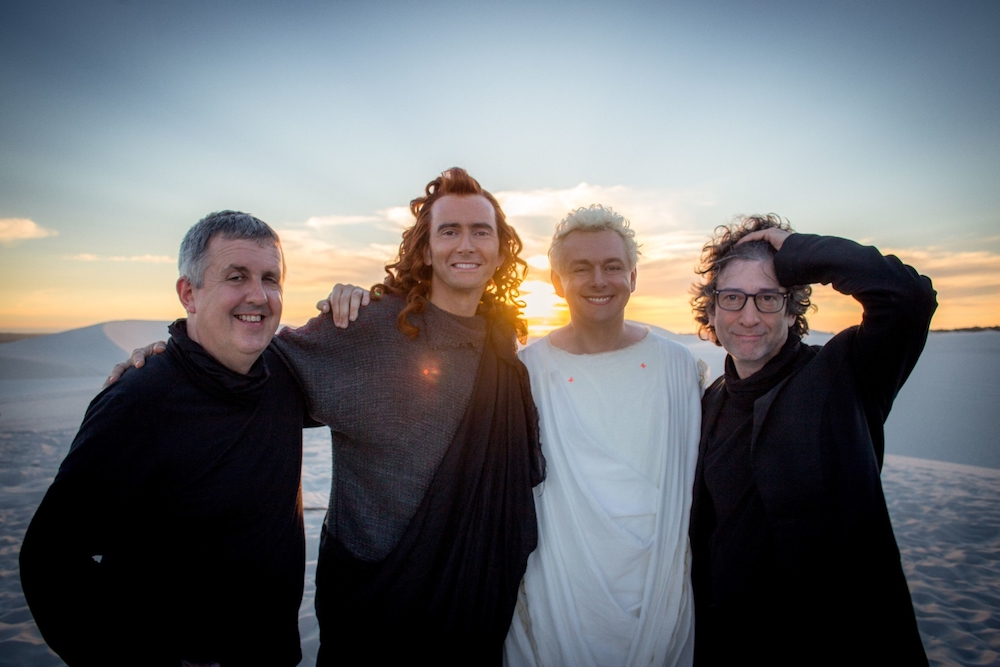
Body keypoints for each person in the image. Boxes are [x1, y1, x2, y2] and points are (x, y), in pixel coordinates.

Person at [275, 167, 544, 666]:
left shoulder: (502, 344)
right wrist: (166, 361)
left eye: (481, 232)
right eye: (449, 231)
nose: (466, 245)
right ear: (425, 250)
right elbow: (252, 377)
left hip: (472, 613)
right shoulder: (367, 325)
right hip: (375, 608)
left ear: (500, 251)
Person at [19, 211, 309, 666]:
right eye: (236, 276)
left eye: (270, 279)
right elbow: (48, 561)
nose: (258, 295)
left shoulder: (287, 375)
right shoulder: (138, 401)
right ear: (188, 293)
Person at [688, 215, 934, 665]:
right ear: (712, 309)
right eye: (732, 298)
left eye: (768, 298)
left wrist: (800, 251)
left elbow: (907, 297)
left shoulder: (844, 375)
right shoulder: (708, 402)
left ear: (791, 308)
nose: (748, 316)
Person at [502, 206, 702, 667]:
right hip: (557, 597)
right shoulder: (526, 372)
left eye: (612, 266)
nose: (598, 280)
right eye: (581, 268)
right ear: (557, 282)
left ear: (633, 277)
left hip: (659, 596)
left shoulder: (677, 366)